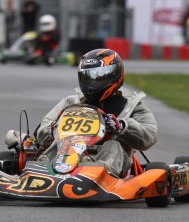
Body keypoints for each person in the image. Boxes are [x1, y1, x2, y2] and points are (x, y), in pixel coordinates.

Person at [36, 49, 158, 178]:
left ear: (114, 74)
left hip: (109, 166)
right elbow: (42, 129)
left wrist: (122, 126)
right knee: (63, 141)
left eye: (97, 76)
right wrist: (54, 128)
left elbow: (149, 136)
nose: (91, 83)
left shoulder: (132, 106)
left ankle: (94, 170)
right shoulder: (71, 102)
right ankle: (44, 169)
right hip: (71, 154)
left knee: (113, 145)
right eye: (87, 77)